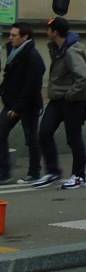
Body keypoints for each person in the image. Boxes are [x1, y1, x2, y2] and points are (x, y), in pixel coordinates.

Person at [33, 17, 86, 189]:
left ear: (55, 32)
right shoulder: (59, 48)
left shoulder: (72, 50)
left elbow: (84, 77)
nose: (46, 32)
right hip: (58, 99)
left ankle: (79, 175)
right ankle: (53, 171)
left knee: (74, 138)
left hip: (72, 100)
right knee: (44, 132)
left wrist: (70, 94)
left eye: (48, 29)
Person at [0, 22, 46, 184]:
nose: (10, 38)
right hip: (12, 102)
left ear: (24, 37)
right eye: (10, 34)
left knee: (31, 138)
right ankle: (4, 173)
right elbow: (11, 78)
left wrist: (17, 107)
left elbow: (31, 85)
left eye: (14, 35)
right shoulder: (14, 52)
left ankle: (34, 173)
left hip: (27, 105)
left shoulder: (32, 56)